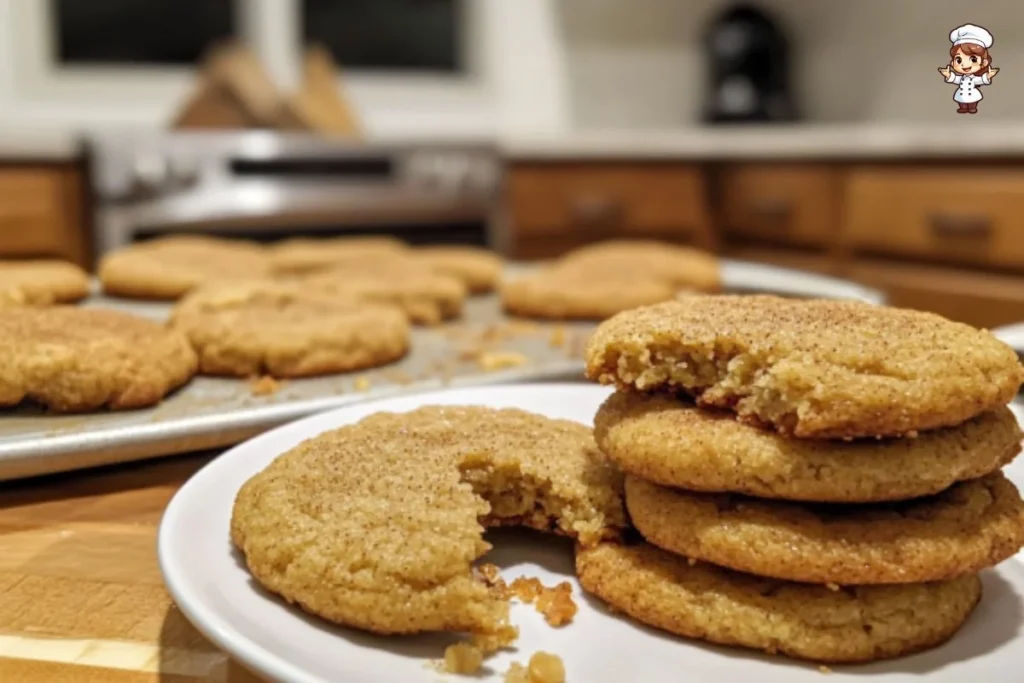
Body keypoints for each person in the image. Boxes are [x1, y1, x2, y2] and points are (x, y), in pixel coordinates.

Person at [939, 24, 999, 114]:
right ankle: (963, 107)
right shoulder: (961, 78)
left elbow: (980, 80)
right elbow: (955, 79)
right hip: (961, 94)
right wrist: (948, 75)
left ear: (984, 62)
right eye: (958, 60)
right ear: (952, 63)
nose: (965, 65)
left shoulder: (974, 79)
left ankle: (972, 107)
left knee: (973, 101)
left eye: (973, 59)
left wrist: (988, 76)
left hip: (972, 94)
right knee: (961, 101)